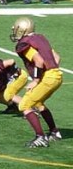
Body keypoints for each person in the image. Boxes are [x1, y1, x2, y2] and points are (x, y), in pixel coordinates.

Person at [10, 17, 62, 148]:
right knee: (38, 103)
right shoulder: (40, 38)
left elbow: (38, 61)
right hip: (55, 75)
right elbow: (56, 57)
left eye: (16, 29)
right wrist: (49, 72)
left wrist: (36, 80)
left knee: (24, 105)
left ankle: (40, 137)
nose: (15, 31)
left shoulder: (25, 43)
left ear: (22, 29)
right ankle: (54, 132)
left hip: (48, 77)